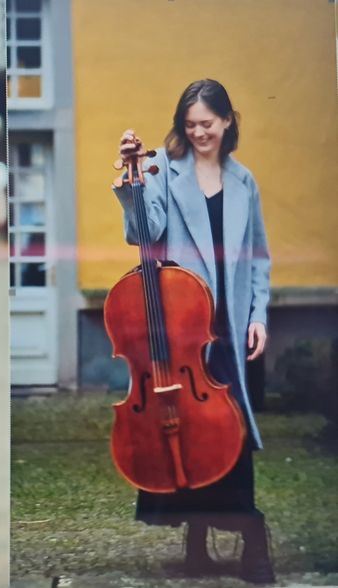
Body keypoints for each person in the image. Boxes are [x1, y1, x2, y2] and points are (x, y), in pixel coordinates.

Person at [113, 79, 274, 584]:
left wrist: (258, 315)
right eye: (191, 125)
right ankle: (197, 547)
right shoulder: (162, 167)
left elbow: (258, 257)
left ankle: (252, 541)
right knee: (187, 434)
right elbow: (144, 233)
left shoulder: (244, 180)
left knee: (234, 438)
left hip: (229, 329)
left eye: (208, 123)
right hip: (183, 329)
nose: (200, 132)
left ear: (228, 122)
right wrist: (133, 186)